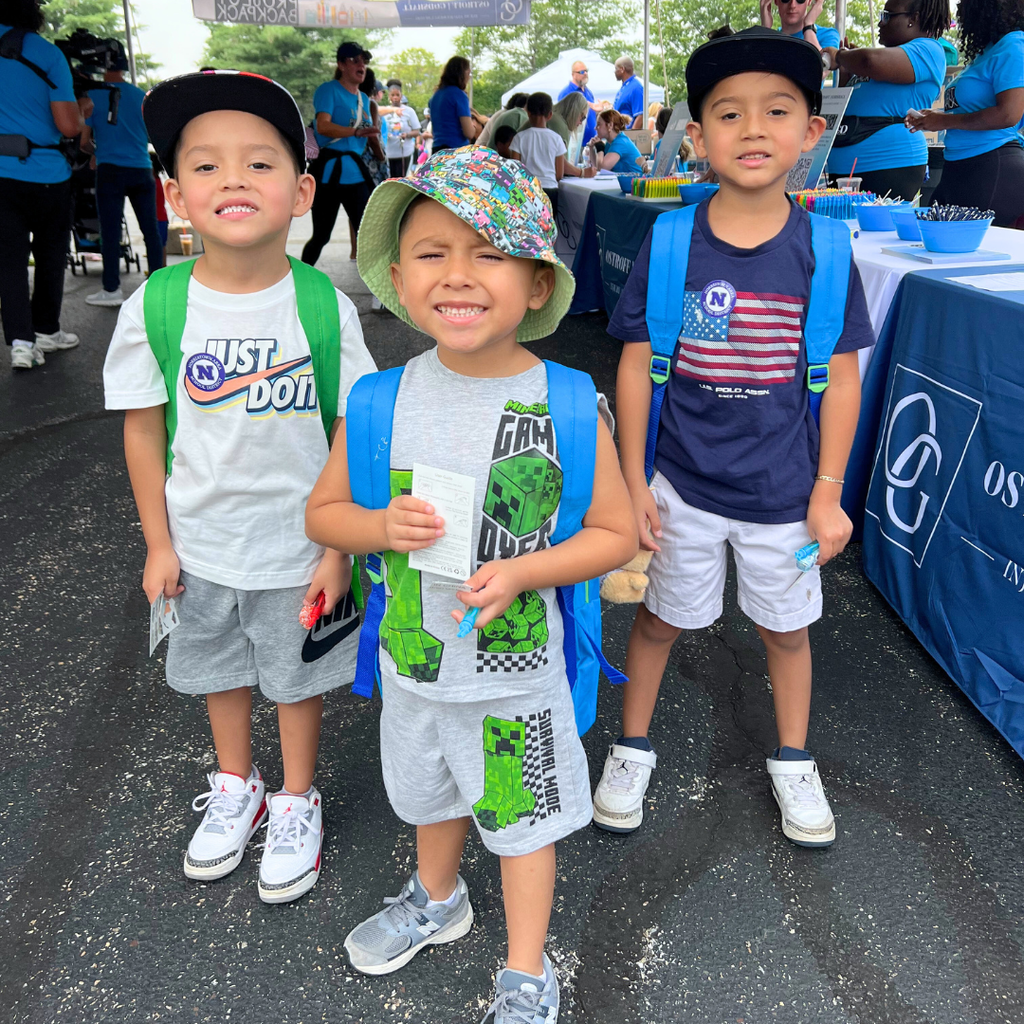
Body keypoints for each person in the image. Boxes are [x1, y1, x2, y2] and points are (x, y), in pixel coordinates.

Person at [306, 145, 637, 1024]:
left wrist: (527, 569)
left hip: (518, 683)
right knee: (428, 797)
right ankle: (437, 898)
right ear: (399, 280)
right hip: (414, 672)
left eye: (489, 252)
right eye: (431, 253)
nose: (458, 275)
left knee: (524, 826)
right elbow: (324, 513)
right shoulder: (378, 400)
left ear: (535, 284)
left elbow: (617, 532)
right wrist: (374, 530)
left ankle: (527, 971)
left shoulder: (569, 401)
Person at [595, 28, 875, 849]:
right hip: (680, 482)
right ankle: (633, 745)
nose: (753, 130)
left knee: (786, 632)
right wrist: (633, 481)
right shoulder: (672, 241)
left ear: (811, 132)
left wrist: (827, 493)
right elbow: (639, 362)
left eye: (777, 111)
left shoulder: (825, 247)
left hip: (785, 493)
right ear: (697, 136)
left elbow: (842, 378)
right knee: (658, 620)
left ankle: (793, 758)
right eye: (728, 114)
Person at [103, 71, 376, 903]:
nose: (231, 180)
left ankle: (296, 796)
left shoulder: (322, 303)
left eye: (258, 164)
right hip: (202, 546)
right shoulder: (159, 303)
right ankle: (238, 784)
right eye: (206, 165)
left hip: (300, 551)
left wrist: (336, 547)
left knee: (294, 681)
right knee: (219, 672)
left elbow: (349, 425)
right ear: (174, 192)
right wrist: (158, 543)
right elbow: (143, 426)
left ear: (300, 193)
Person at [0, 0, 85, 371]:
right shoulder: (46, 53)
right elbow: (68, 126)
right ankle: (47, 331)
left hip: (1, 175)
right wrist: (83, 110)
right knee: (50, 255)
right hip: (48, 174)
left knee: (9, 261)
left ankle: (21, 343)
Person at [906, 0, 1024, 227]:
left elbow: (1008, 114)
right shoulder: (988, 51)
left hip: (992, 166)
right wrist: (934, 118)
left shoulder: (1014, 44)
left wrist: (943, 121)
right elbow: (972, 110)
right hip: (959, 167)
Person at [823, 0, 949, 200]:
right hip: (845, 170)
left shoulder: (928, 49)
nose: (881, 23)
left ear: (913, 19)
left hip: (889, 165)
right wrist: (847, 75)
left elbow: (869, 61)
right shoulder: (887, 60)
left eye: (887, 16)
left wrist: (840, 56)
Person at [82, 41, 165, 307]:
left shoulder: (93, 95)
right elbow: (152, 134)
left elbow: (83, 141)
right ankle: (157, 286)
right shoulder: (142, 95)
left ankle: (111, 290)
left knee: (110, 230)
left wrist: (97, 150)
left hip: (110, 169)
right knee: (150, 229)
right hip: (142, 168)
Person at [302, 40, 380, 266]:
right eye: (354, 60)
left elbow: (365, 134)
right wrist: (355, 132)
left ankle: (383, 294)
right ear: (341, 64)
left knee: (368, 236)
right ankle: (299, 279)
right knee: (321, 236)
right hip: (329, 174)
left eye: (363, 61)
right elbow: (323, 126)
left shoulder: (363, 99)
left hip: (356, 174)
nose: (361, 65)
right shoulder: (329, 90)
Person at [510, 92, 566, 214]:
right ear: (550, 115)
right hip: (550, 190)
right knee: (548, 230)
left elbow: (515, 169)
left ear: (528, 113)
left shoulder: (519, 138)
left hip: (527, 189)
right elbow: (559, 174)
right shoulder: (557, 138)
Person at [428, 55, 477, 153]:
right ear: (461, 74)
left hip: (437, 150)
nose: (469, 77)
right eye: (468, 73)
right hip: (456, 150)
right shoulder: (459, 95)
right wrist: (474, 128)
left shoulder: (435, 96)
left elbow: (434, 130)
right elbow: (469, 133)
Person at [760, 0, 840, 51]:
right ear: (776, 1)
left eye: (800, 0)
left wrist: (808, 25)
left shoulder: (828, 35)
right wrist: (765, 30)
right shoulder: (770, 39)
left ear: (809, 1)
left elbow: (821, 70)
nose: (792, 5)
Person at [383, 78, 421, 178]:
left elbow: (417, 131)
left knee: (401, 180)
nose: (395, 98)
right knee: (389, 182)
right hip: (388, 154)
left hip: (404, 153)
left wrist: (407, 135)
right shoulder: (384, 112)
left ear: (401, 95)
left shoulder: (409, 111)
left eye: (397, 95)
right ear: (389, 96)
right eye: (392, 95)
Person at [587, 108, 645, 173]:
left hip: (633, 182)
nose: (595, 128)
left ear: (610, 125)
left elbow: (602, 169)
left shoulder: (620, 143)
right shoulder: (610, 143)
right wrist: (591, 148)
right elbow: (596, 167)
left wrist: (600, 147)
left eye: (599, 124)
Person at [557, 60, 599, 145]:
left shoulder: (588, 92)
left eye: (586, 71)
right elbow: (561, 118)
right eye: (581, 72)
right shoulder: (566, 93)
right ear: (573, 74)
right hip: (575, 144)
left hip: (591, 142)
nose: (585, 74)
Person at [550, 91, 590, 175]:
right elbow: (561, 164)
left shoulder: (554, 118)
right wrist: (582, 173)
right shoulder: (559, 124)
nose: (580, 123)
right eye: (582, 118)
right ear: (575, 112)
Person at [613, 56, 645, 127]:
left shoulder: (636, 87)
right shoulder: (625, 87)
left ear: (622, 69)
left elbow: (640, 116)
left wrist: (630, 137)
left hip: (627, 135)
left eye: (616, 69)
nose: (614, 72)